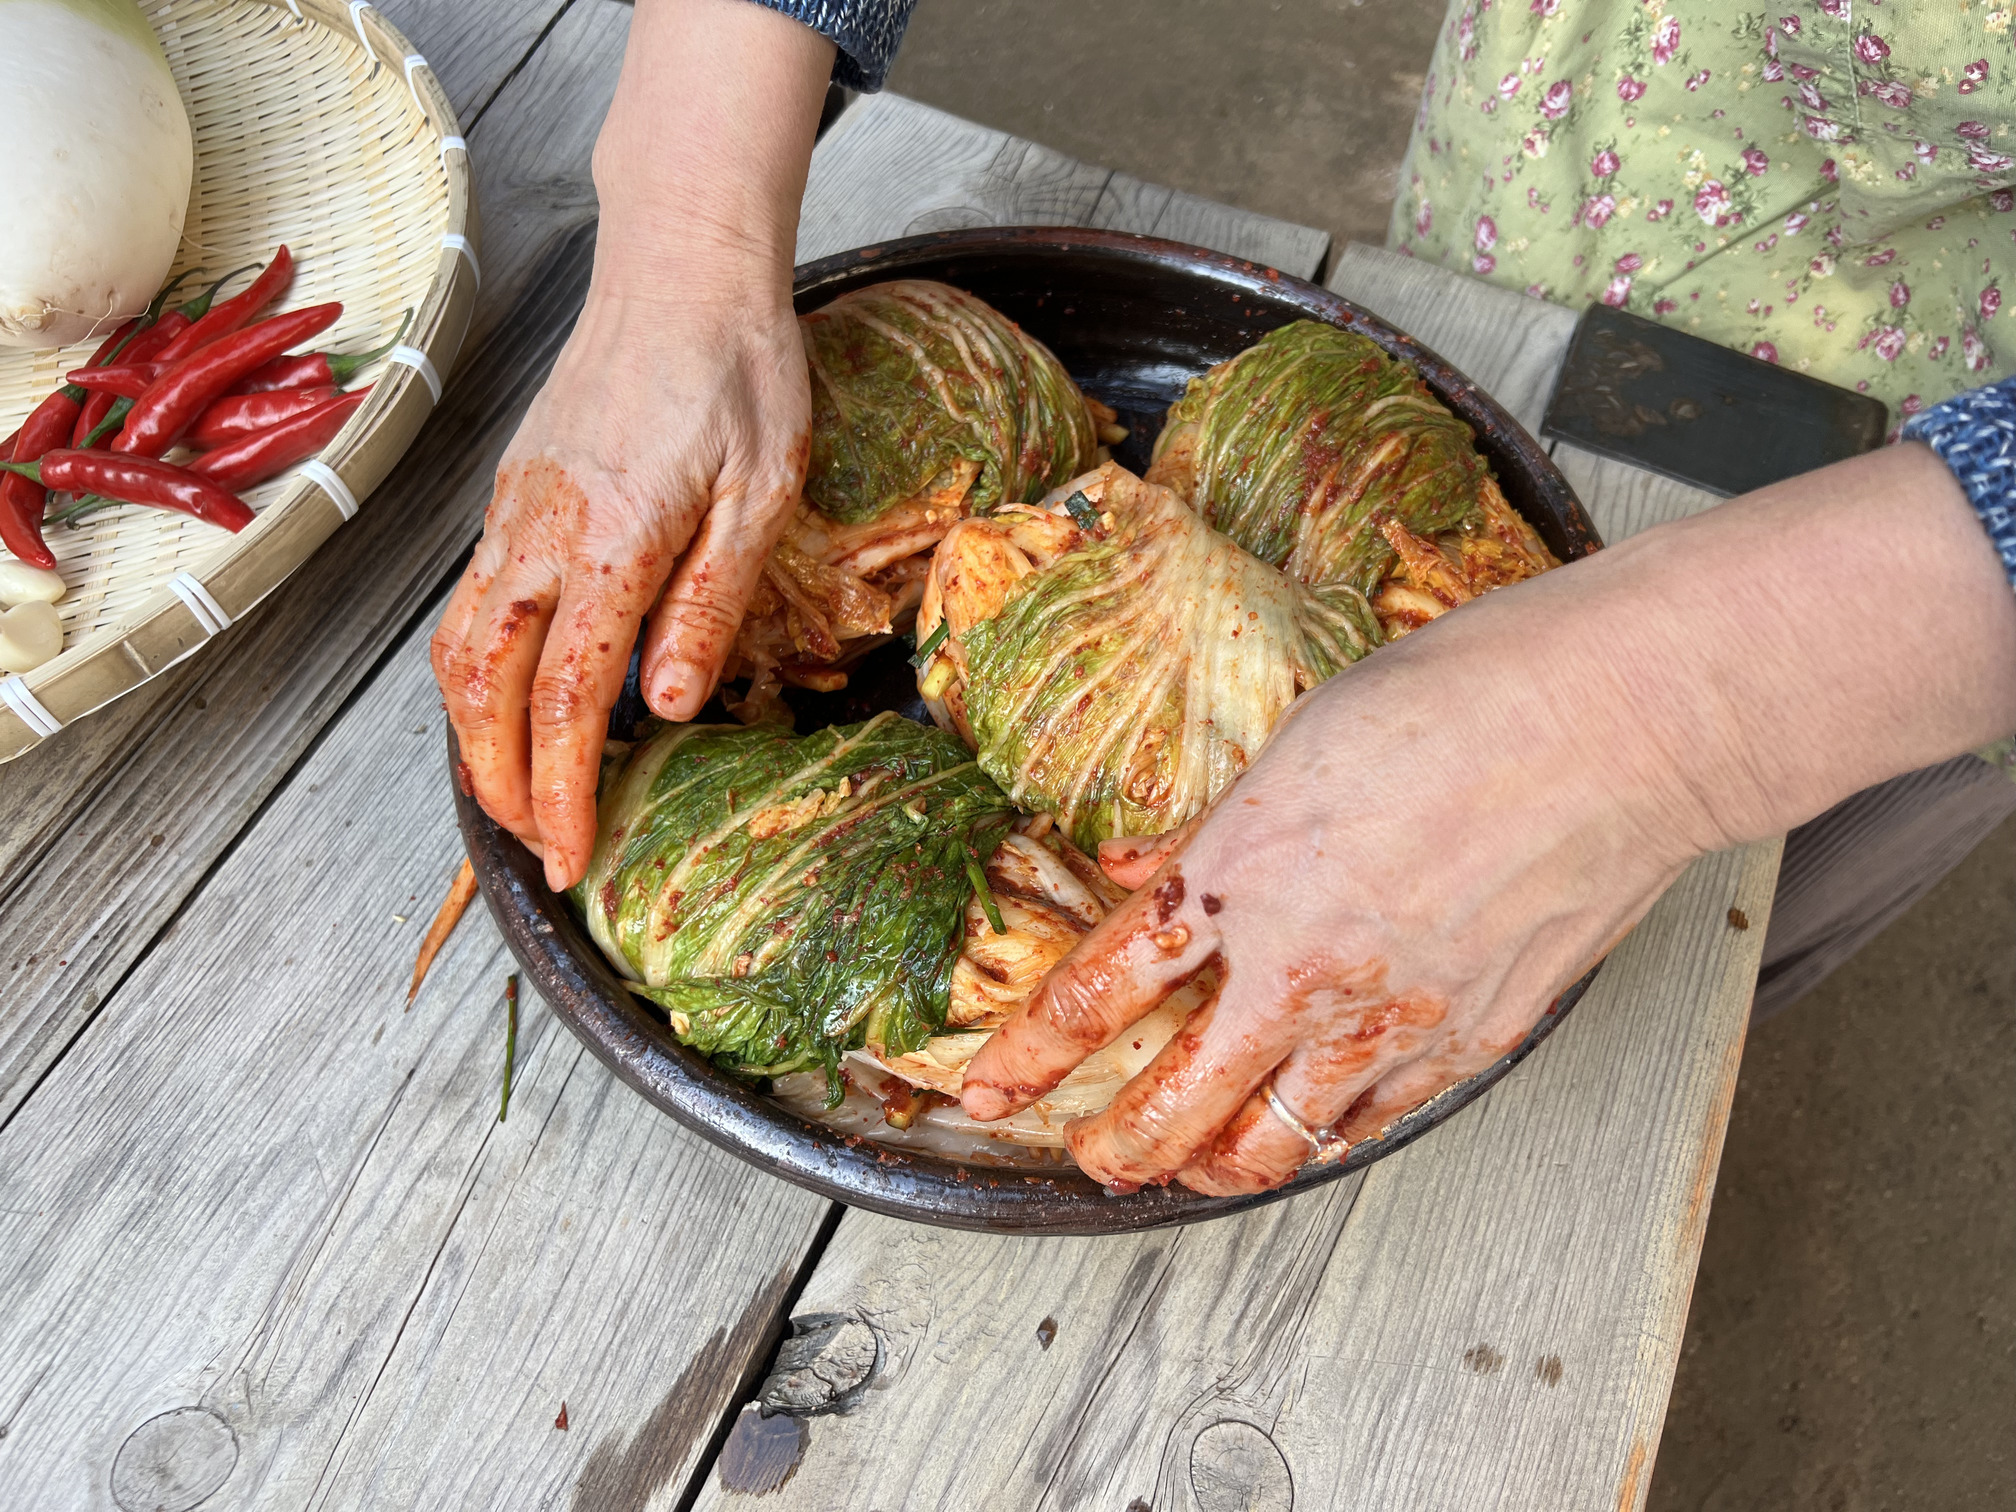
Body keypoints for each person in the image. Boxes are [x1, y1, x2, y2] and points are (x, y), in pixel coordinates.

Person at [431, 0, 2016, 1195]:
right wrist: (689, 233)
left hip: (1927, 538)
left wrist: (1668, 737)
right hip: (1615, 112)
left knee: (1692, 971)